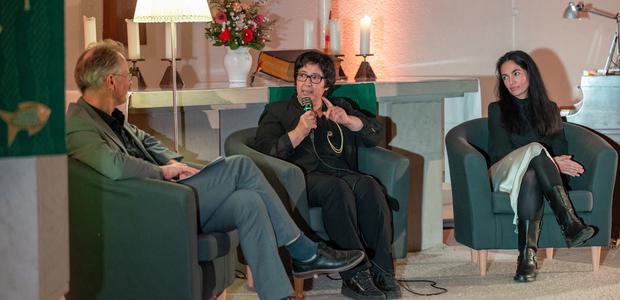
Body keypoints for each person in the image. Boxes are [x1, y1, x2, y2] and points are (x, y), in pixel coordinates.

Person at [65, 40, 366, 300]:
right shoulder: (78, 124)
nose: (130, 81)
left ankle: (278, 294)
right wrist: (163, 173)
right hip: (151, 208)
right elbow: (113, 165)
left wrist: (173, 163)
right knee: (240, 165)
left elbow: (149, 144)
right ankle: (302, 249)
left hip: (166, 197)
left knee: (248, 202)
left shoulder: (112, 118)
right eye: (127, 75)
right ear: (109, 81)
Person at [254, 51, 400, 300]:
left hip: (340, 173)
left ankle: (382, 271)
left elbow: (376, 134)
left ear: (327, 85)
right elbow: (265, 152)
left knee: (369, 186)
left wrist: (349, 120)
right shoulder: (278, 111)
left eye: (314, 78)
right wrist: (298, 132)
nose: (307, 84)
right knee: (337, 188)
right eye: (302, 76)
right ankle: (355, 275)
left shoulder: (340, 107)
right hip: (301, 178)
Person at [488, 50, 597, 282]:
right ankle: (569, 224)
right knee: (536, 150)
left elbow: (560, 148)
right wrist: (549, 159)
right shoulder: (497, 109)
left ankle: (526, 259)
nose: (510, 81)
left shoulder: (549, 108)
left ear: (530, 73)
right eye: (505, 77)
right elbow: (500, 153)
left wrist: (549, 160)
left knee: (532, 176)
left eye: (515, 73)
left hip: (538, 175)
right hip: (504, 174)